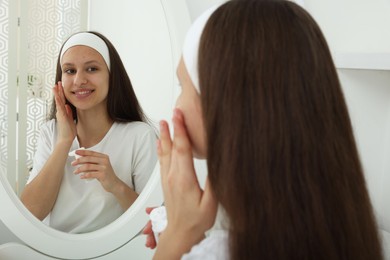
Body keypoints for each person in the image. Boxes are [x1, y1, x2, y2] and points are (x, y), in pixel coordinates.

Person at [143, 0, 383, 259]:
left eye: (182, 86)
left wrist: (179, 234)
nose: (176, 104)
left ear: (225, 104)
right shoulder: (343, 226)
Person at [20, 31, 157, 233]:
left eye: (92, 69)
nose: (79, 80)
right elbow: (30, 214)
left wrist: (115, 184)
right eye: (69, 71)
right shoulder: (51, 132)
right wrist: (64, 141)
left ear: (112, 75)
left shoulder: (140, 136)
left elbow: (155, 222)